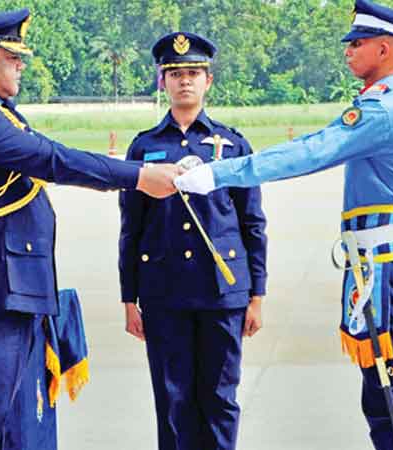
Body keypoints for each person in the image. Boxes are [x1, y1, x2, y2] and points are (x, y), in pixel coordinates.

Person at [0, 8, 181, 450]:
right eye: (12, 56)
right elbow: (52, 159)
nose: (21, 64)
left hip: (3, 289)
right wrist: (137, 176)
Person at [174, 1, 393, 449]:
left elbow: (310, 152)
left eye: (357, 43)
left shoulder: (381, 111)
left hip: (384, 265)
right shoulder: (379, 103)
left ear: (385, 50)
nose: (348, 50)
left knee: (391, 394)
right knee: (388, 389)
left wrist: (218, 174)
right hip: (373, 259)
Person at [118, 32, 267, 450]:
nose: (185, 81)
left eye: (194, 73)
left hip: (223, 293)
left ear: (208, 82)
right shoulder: (145, 147)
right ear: (162, 82)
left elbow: (252, 223)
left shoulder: (232, 144)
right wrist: (129, 298)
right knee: (173, 400)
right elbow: (131, 227)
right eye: (176, 73)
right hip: (164, 293)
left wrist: (257, 295)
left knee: (220, 398)